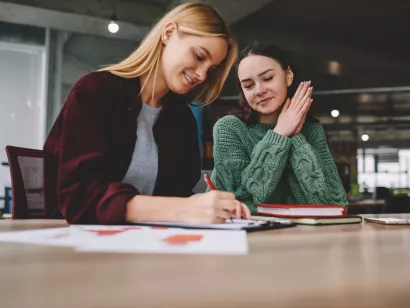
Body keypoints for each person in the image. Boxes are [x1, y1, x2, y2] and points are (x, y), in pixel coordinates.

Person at [44, 2, 251, 224]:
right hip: (75, 242)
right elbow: (79, 197)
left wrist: (207, 205)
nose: (202, 75)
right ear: (169, 33)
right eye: (199, 56)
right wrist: (182, 208)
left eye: (211, 69)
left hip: (149, 243)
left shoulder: (181, 120)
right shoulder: (95, 92)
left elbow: (176, 195)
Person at [210, 41, 348, 213]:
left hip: (304, 236)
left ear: (288, 75)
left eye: (267, 78)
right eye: (248, 85)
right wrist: (280, 134)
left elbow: (335, 205)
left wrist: (296, 137)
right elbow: (239, 204)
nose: (259, 90)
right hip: (250, 236)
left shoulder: (311, 131)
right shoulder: (230, 128)